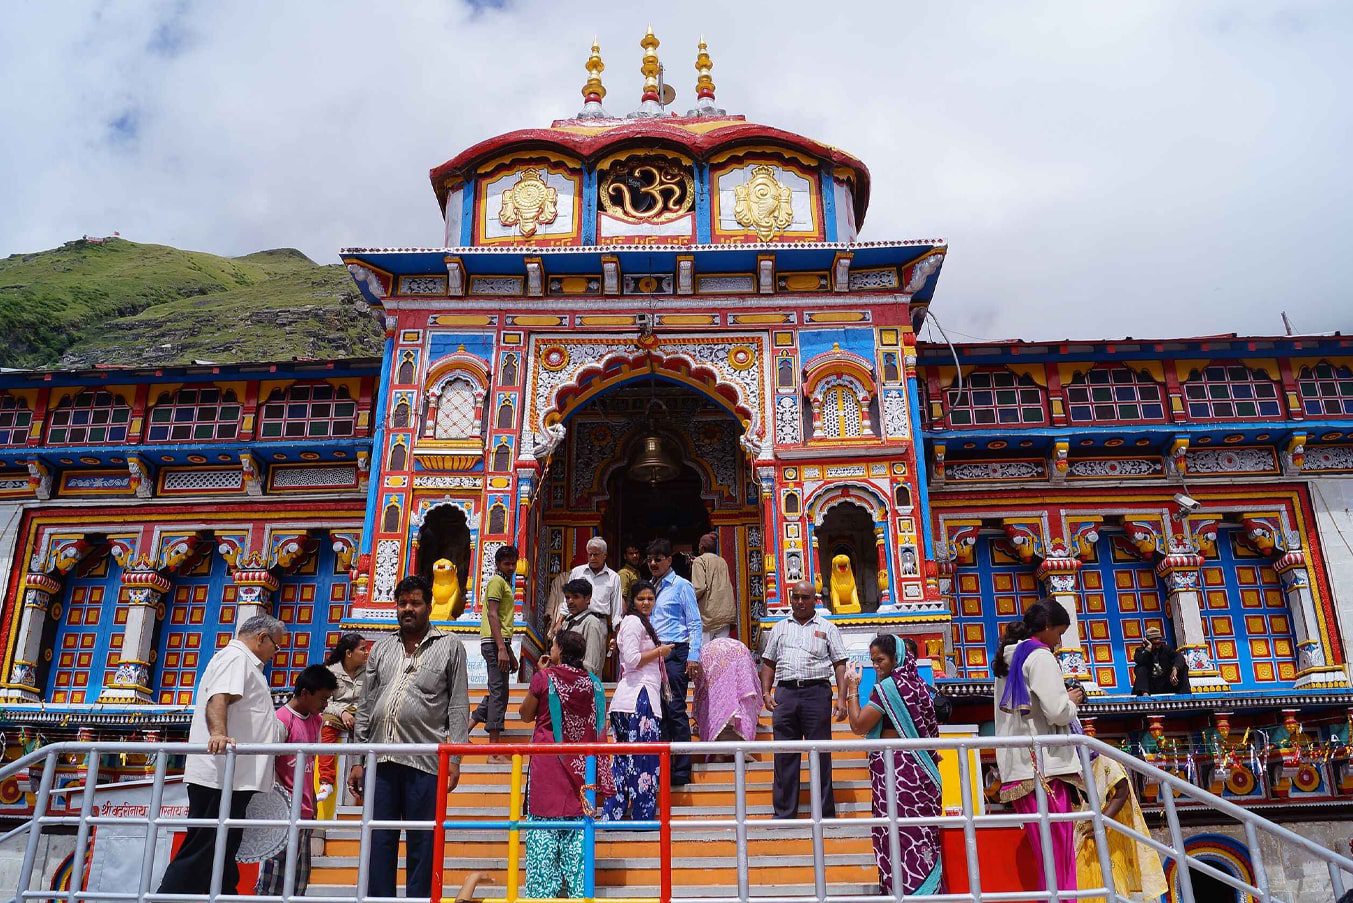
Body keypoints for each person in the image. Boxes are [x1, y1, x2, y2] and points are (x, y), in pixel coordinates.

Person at [350, 574, 470, 901]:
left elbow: (459, 704)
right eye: (402, 603)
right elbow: (366, 704)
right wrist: (358, 758)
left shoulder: (450, 646)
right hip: (380, 758)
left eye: (415, 603)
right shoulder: (382, 647)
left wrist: (455, 759)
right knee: (378, 841)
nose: (408, 609)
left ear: (429, 606)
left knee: (423, 842)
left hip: (424, 761)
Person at [158, 615, 288, 896]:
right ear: (262, 638)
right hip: (219, 775)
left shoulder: (248, 664)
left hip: (235, 776)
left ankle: (225, 893)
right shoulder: (236, 658)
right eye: (276, 646)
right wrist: (218, 733)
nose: (276, 653)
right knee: (203, 847)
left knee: (224, 847)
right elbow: (218, 698)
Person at [993, 601, 1086, 899]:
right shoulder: (1040, 657)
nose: (1059, 642)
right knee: (1059, 851)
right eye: (1059, 633)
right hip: (1046, 767)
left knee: (1045, 852)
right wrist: (1072, 701)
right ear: (1046, 628)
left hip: (1019, 765)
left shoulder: (1008, 658)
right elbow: (1057, 712)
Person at [844, 635, 943, 896]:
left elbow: (858, 725)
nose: (876, 666)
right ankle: (926, 890)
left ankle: (905, 891)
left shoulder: (888, 688)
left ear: (895, 658)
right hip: (921, 773)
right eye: (873, 661)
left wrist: (852, 687)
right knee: (920, 832)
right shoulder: (918, 685)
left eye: (880, 660)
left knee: (898, 832)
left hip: (898, 773)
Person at [519, 630, 608, 899]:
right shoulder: (594, 684)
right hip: (582, 771)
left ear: (559, 650)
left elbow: (525, 715)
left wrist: (541, 673)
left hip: (547, 768)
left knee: (543, 836)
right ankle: (581, 894)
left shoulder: (544, 678)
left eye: (554, 646)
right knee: (578, 838)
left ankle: (542, 895)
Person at [759, 580, 848, 819]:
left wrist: (842, 698)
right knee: (784, 754)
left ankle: (824, 814)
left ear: (815, 600)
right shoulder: (779, 628)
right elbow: (768, 662)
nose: (799, 602)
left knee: (820, 753)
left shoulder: (828, 628)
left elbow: (840, 664)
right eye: (796, 597)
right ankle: (784, 813)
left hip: (816, 693)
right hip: (786, 693)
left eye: (805, 598)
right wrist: (766, 692)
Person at [256, 664, 339, 898]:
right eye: (322, 698)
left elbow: (310, 767)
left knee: (299, 880)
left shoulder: (316, 721)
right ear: (305, 693)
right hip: (282, 814)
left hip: (305, 813)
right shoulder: (281, 720)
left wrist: (312, 805)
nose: (325, 704)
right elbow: (268, 767)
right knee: (274, 879)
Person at [602, 581, 671, 821]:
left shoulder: (640, 623)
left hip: (633, 697)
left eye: (650, 598)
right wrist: (660, 652)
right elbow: (631, 659)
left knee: (623, 760)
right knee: (643, 760)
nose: (646, 603)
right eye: (641, 598)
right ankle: (641, 816)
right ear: (632, 601)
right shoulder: (633, 622)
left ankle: (614, 815)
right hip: (638, 699)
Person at [1074, 753, 1167, 903]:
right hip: (1073, 835)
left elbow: (1122, 790)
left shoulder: (1101, 758)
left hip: (1100, 839)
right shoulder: (1064, 761)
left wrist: (1102, 821)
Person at [647, 538, 703, 786]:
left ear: (669, 560)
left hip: (676, 651)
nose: (653, 563)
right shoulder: (649, 588)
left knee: (675, 709)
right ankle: (663, 767)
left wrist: (693, 656)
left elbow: (694, 623)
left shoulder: (682, 586)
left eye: (658, 559)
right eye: (650, 559)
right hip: (653, 654)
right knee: (657, 710)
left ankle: (681, 769)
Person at [471, 545, 519, 758]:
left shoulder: (505, 584)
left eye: (513, 563)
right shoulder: (497, 582)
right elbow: (492, 614)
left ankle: (465, 730)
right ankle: (493, 750)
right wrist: (501, 648)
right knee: (499, 693)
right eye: (506, 563)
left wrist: (509, 651)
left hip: (500, 642)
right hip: (493, 642)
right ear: (498, 564)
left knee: (498, 691)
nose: (511, 567)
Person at [317, 633, 369, 810]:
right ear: (348, 653)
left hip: (362, 713)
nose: (366, 653)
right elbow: (326, 702)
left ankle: (362, 776)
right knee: (327, 726)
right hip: (337, 713)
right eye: (362, 649)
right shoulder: (330, 671)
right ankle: (326, 780)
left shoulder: (369, 671)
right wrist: (343, 712)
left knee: (367, 730)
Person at [692, 637, 761, 752]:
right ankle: (741, 751)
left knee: (718, 712)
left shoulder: (709, 654)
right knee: (738, 709)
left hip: (715, 674)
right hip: (733, 662)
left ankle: (719, 754)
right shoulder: (740, 651)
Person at [551, 578, 608, 675]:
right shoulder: (567, 623)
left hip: (580, 681)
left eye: (576, 597)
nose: (570, 601)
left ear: (587, 599)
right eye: (567, 597)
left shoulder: (591, 623)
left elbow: (590, 665)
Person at [568, 537, 625, 630]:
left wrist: (616, 631)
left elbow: (616, 609)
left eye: (596, 555)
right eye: (590, 554)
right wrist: (560, 621)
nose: (592, 558)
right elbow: (567, 600)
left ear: (604, 555)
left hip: (599, 624)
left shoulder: (613, 577)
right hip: (576, 621)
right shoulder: (577, 572)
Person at [691, 532, 736, 644]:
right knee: (721, 650)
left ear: (702, 547)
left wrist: (688, 601)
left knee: (706, 650)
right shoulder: (722, 561)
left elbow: (699, 587)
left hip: (708, 615)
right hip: (725, 614)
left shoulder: (699, 561)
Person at [1132, 627, 1192, 696]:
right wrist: (1148, 648)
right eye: (1154, 644)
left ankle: (1185, 694)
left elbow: (1179, 657)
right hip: (1150, 685)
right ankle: (1145, 694)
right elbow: (1139, 660)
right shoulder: (1140, 650)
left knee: (1183, 666)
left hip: (1165, 683)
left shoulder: (1166, 649)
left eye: (1158, 644)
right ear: (1147, 642)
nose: (1157, 647)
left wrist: (1175, 668)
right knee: (1140, 668)